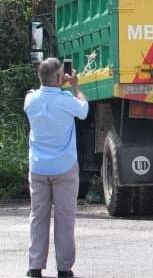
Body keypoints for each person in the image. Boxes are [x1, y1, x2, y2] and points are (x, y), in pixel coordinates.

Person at [24, 57, 89, 278]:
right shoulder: (67, 100)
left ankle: (35, 267)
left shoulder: (30, 100)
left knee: (38, 216)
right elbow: (83, 110)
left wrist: (57, 82)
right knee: (65, 217)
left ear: (39, 77)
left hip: (39, 167)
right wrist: (75, 85)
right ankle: (64, 268)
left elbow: (47, 93)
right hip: (64, 167)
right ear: (60, 77)